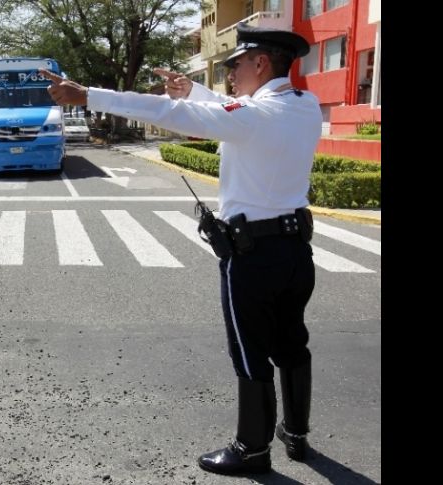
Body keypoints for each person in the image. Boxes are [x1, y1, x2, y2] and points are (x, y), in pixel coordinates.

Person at [40, 22, 321, 476]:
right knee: (292, 344)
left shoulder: (252, 115)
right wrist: (195, 92)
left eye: (236, 66)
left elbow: (173, 114)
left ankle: (252, 449)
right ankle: (297, 434)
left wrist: (89, 94)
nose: (231, 75)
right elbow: (237, 111)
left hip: (253, 256)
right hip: (296, 252)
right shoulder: (304, 106)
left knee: (250, 354)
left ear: (260, 62)